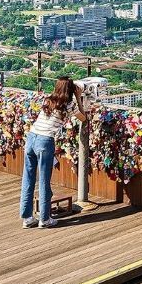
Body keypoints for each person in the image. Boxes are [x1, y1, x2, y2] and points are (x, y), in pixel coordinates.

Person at [20, 76, 86, 228]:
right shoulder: (69, 105)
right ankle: (44, 219)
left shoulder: (48, 100)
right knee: (44, 180)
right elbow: (83, 118)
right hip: (45, 141)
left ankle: (27, 218)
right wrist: (78, 97)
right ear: (70, 90)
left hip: (31, 137)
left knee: (28, 179)